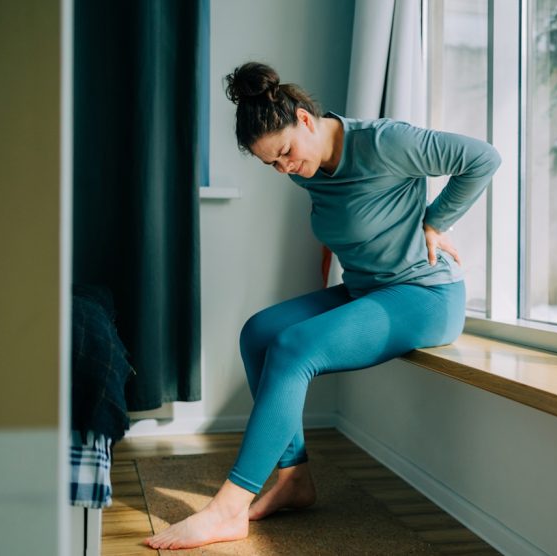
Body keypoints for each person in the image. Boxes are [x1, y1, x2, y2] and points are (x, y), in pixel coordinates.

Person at [145, 61, 500, 550]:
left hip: (424, 295)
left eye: (286, 153)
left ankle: (228, 508)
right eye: (273, 164)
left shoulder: (385, 143)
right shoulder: (306, 167)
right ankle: (294, 481)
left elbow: (482, 157)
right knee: (258, 332)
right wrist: (338, 243)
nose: (285, 168)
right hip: (367, 289)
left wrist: (436, 222)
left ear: (306, 120)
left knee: (294, 348)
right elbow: (352, 208)